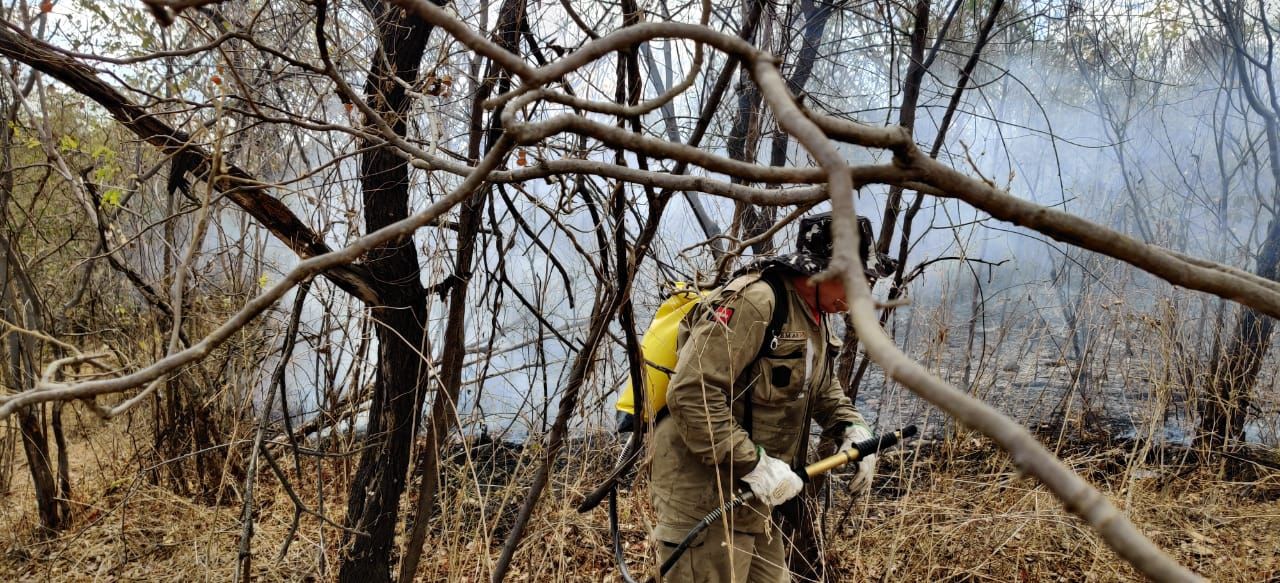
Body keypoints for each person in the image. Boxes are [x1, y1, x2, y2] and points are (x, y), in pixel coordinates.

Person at [650, 212, 891, 583]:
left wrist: (851, 427)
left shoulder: (815, 312)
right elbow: (691, 393)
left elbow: (820, 386)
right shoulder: (755, 302)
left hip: (756, 498)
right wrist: (754, 464)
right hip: (705, 494)